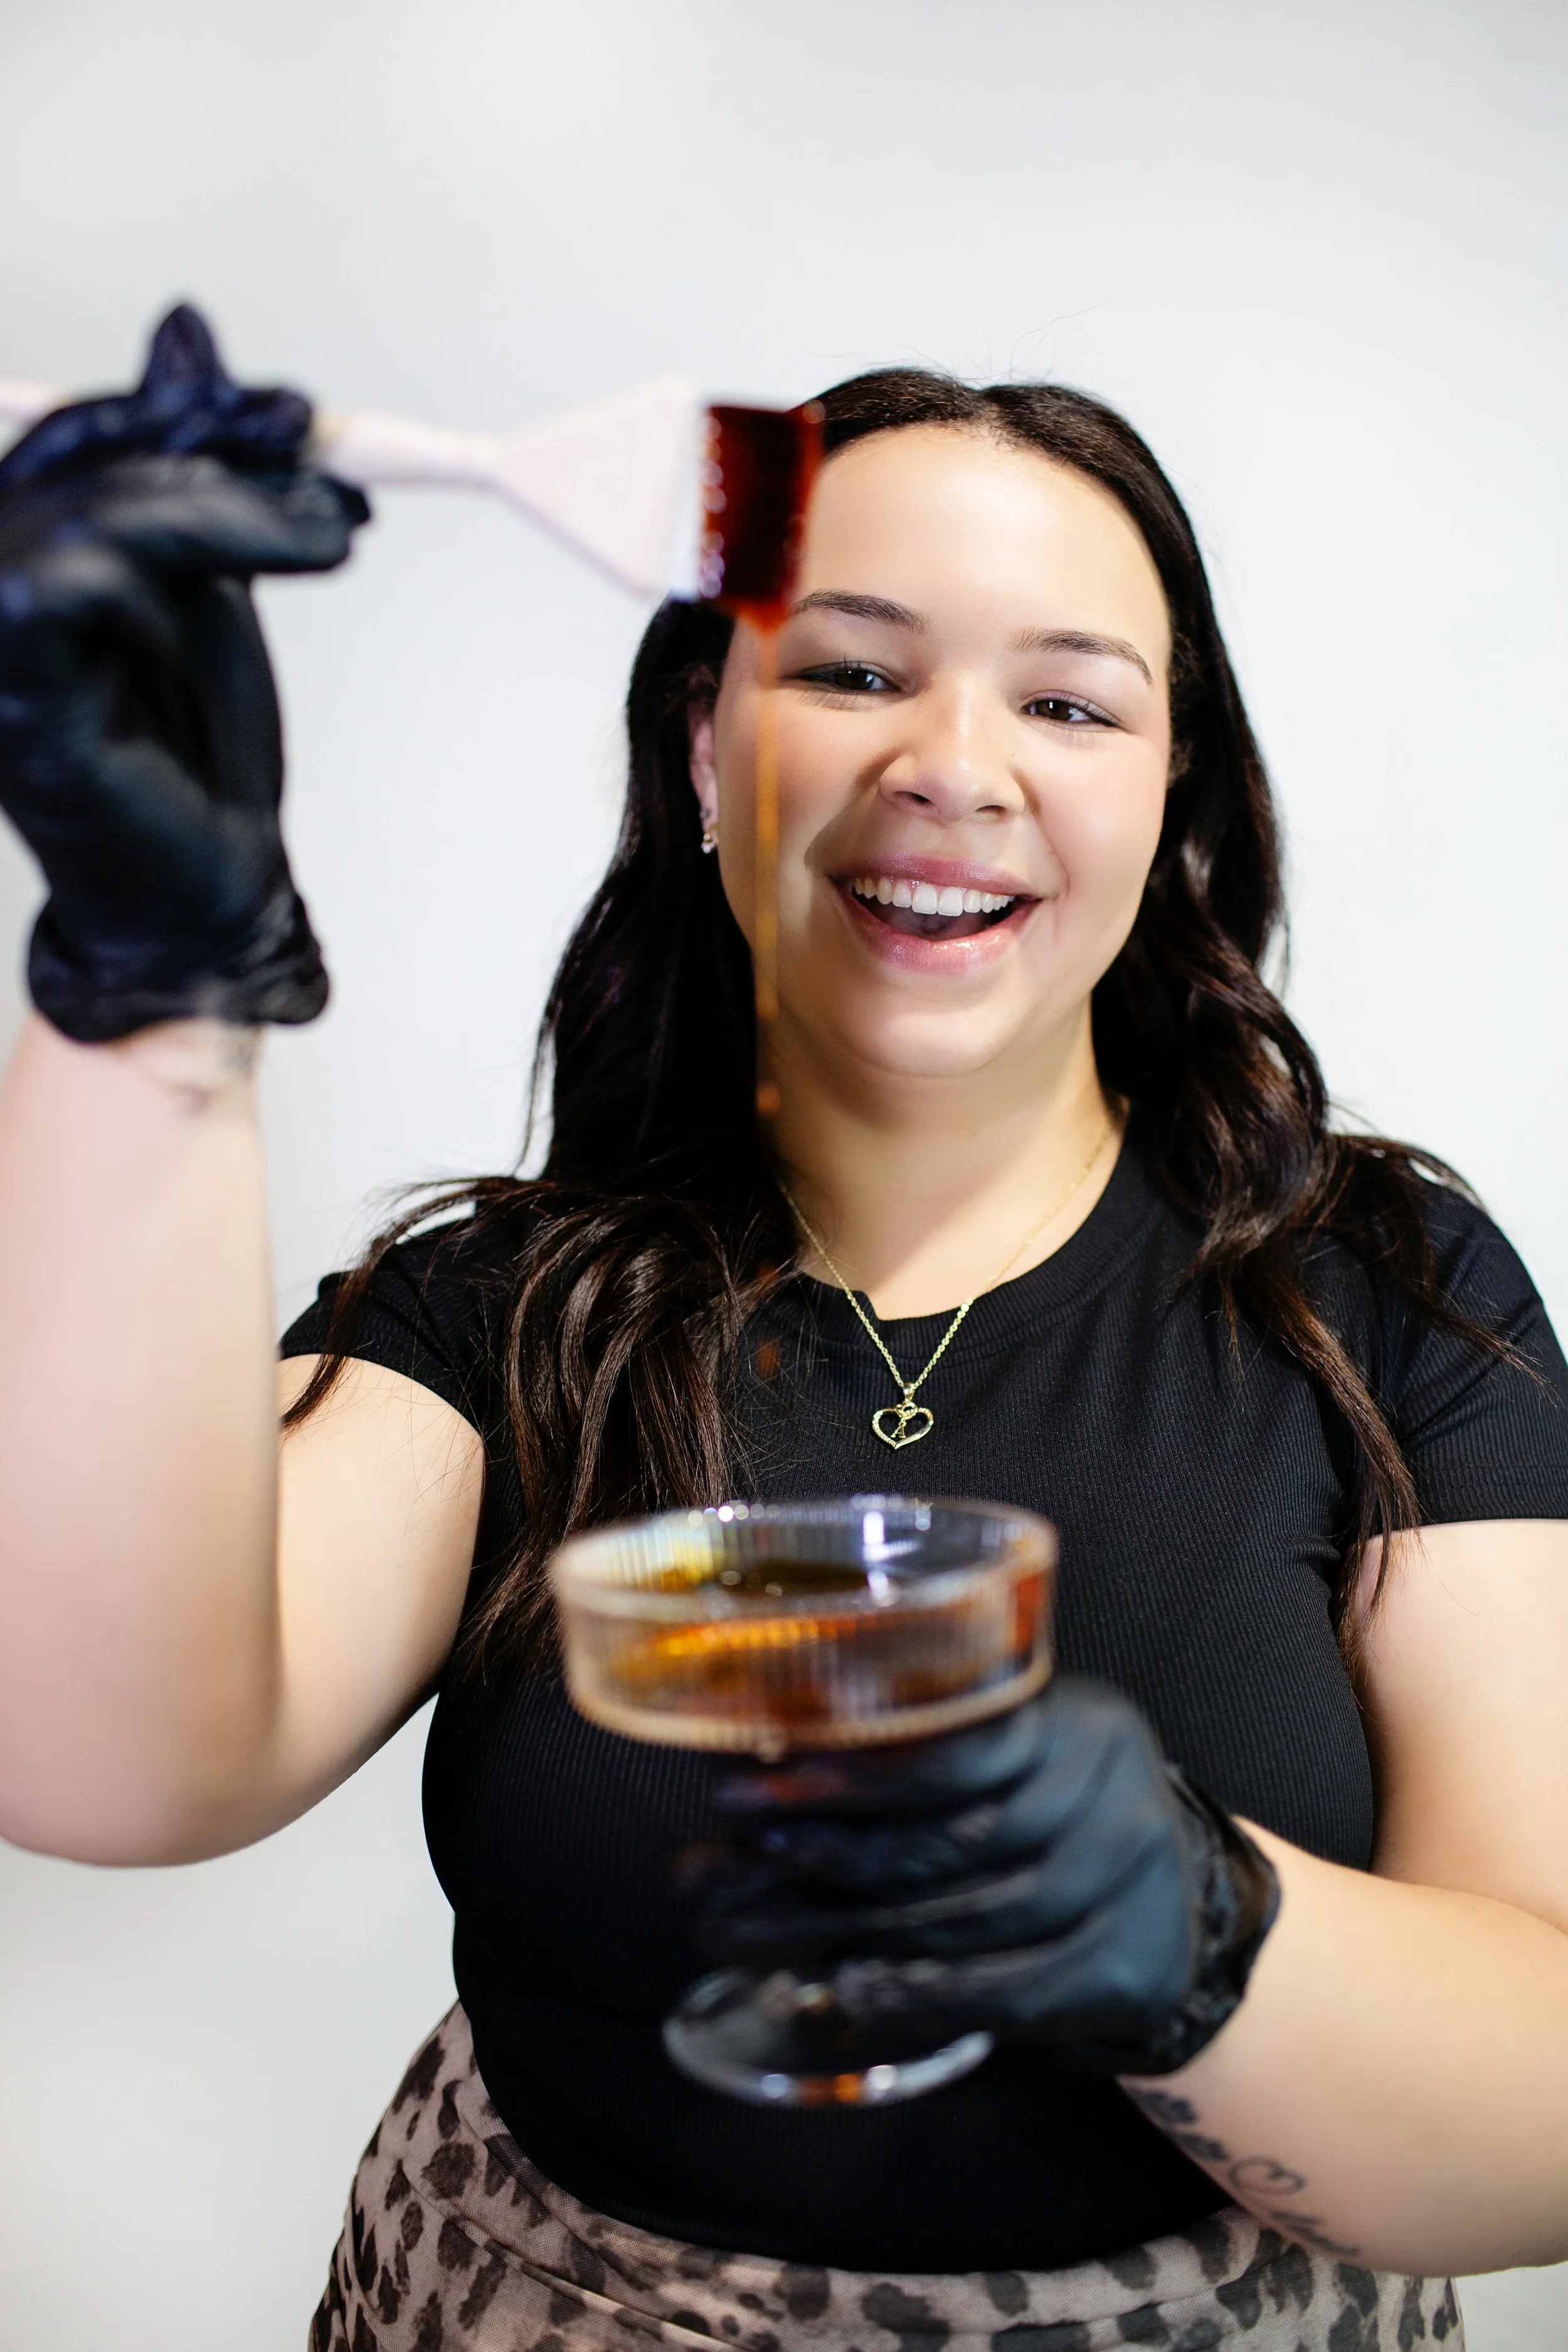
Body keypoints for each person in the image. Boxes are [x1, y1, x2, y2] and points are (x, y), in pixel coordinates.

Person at [1, 310, 1565, 2352]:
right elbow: (99, 1758)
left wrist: (1202, 1928)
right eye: (847, 667)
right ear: (705, 751)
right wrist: (150, 993)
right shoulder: (506, 1310)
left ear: (1174, 796)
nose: (951, 762)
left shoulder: (1386, 1288)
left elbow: (1541, 2125)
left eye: (1072, 704)